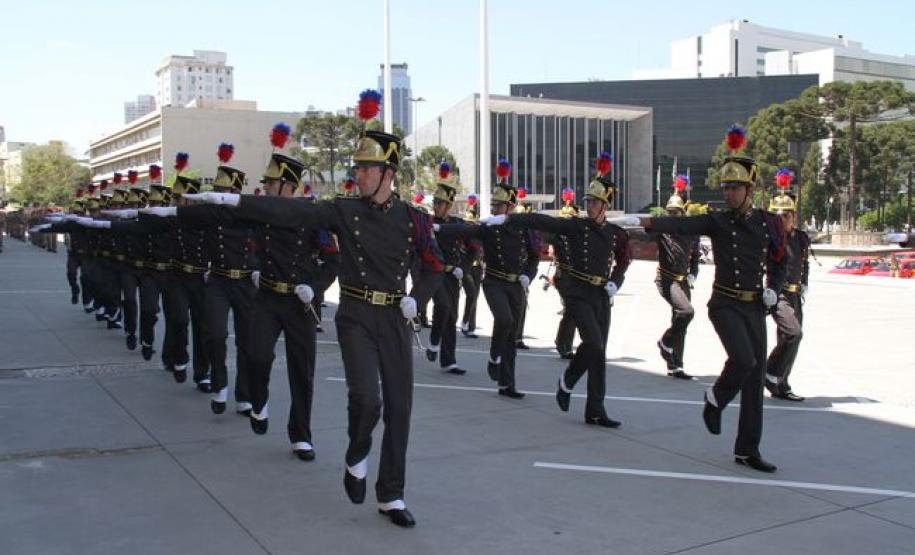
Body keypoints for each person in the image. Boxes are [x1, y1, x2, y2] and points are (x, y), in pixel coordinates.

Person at [180, 96, 443, 528]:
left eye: (367, 168)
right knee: (367, 399)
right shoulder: (344, 210)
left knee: (400, 407)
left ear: (389, 173)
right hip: (356, 314)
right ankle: (357, 452)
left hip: (396, 316)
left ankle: (391, 494)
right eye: (357, 167)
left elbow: (434, 265)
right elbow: (293, 210)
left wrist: (421, 296)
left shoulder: (414, 220)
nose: (358, 174)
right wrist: (234, 203)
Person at [635, 125, 787, 473]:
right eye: (726, 187)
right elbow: (683, 226)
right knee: (744, 360)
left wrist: (774, 289)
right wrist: (649, 222)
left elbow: (781, 261)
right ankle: (716, 397)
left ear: (750, 189)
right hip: (725, 304)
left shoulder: (768, 223)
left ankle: (747, 449)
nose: (729, 193)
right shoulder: (718, 221)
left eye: (735, 187)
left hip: (755, 305)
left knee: (754, 380)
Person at [491, 152, 631, 427]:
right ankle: (568, 380)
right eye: (587, 201)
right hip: (577, 291)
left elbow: (624, 259)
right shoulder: (576, 226)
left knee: (598, 354)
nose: (589, 205)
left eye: (594, 201)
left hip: (601, 295)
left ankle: (595, 409)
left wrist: (615, 281)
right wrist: (509, 219)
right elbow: (544, 221)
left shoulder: (614, 232)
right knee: (593, 342)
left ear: (606, 205)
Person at [436, 158, 540, 399]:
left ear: (510, 206)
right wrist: (440, 228)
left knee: (511, 334)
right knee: (504, 319)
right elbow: (466, 230)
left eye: (498, 205)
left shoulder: (523, 228)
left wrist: (528, 275)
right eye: (493, 204)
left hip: (516, 284)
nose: (494, 208)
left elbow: (534, 256)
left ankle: (507, 384)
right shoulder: (490, 226)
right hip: (494, 281)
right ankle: (494, 355)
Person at [765, 169, 810, 402]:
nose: (781, 220)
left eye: (786, 215)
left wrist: (804, 283)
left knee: (789, 341)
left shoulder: (800, 238)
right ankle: (770, 373)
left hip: (795, 295)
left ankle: (781, 383)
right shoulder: (770, 239)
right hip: (779, 294)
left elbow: (804, 263)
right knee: (794, 334)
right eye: (777, 216)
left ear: (793, 216)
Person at [653, 176, 700, 380]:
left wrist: (693, 274)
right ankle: (665, 342)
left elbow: (695, 255)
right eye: (669, 212)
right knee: (686, 312)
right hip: (667, 279)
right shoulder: (662, 230)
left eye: (676, 212)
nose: (672, 216)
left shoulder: (690, 232)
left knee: (680, 321)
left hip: (683, 280)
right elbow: (644, 229)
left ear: (683, 212)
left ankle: (676, 365)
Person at [425, 162, 469, 375]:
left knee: (451, 316)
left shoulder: (457, 223)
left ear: (449, 205)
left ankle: (448, 360)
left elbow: (473, 247)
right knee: (442, 305)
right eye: (434, 202)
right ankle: (434, 339)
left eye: (440, 203)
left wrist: (464, 268)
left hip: (452, 275)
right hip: (434, 273)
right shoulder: (427, 222)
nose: (436, 206)